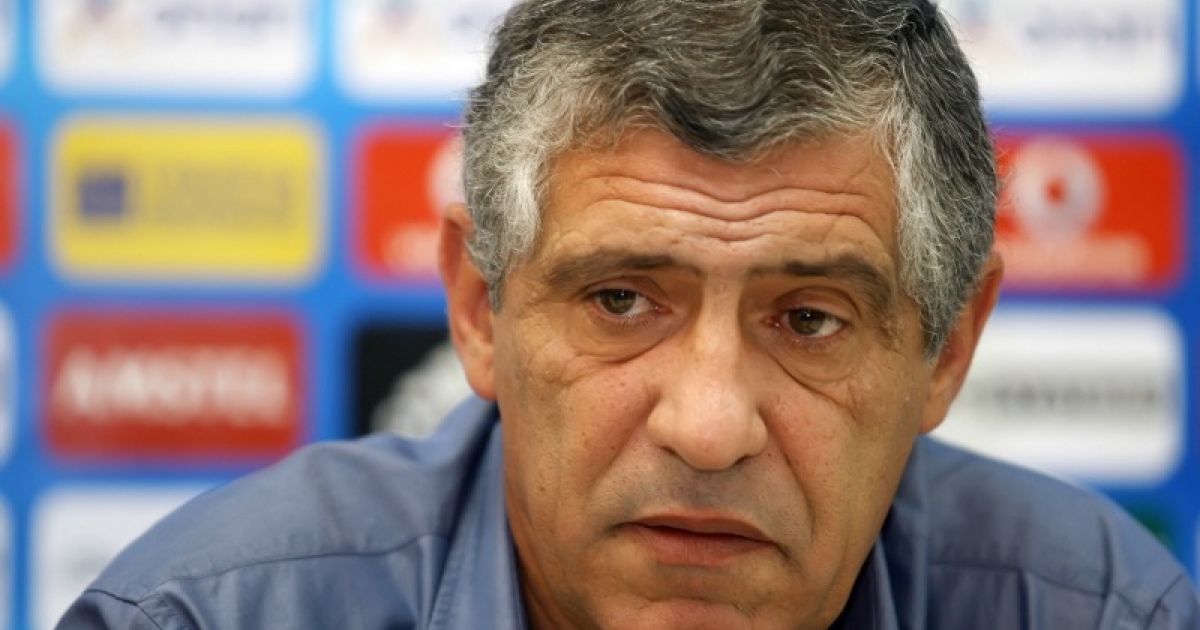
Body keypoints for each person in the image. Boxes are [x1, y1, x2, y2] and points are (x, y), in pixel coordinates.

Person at [58, 0, 1199, 628]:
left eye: (809, 320)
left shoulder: (1102, 613)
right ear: (480, 309)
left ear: (946, 347)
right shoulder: (205, 617)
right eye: (620, 300)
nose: (708, 428)